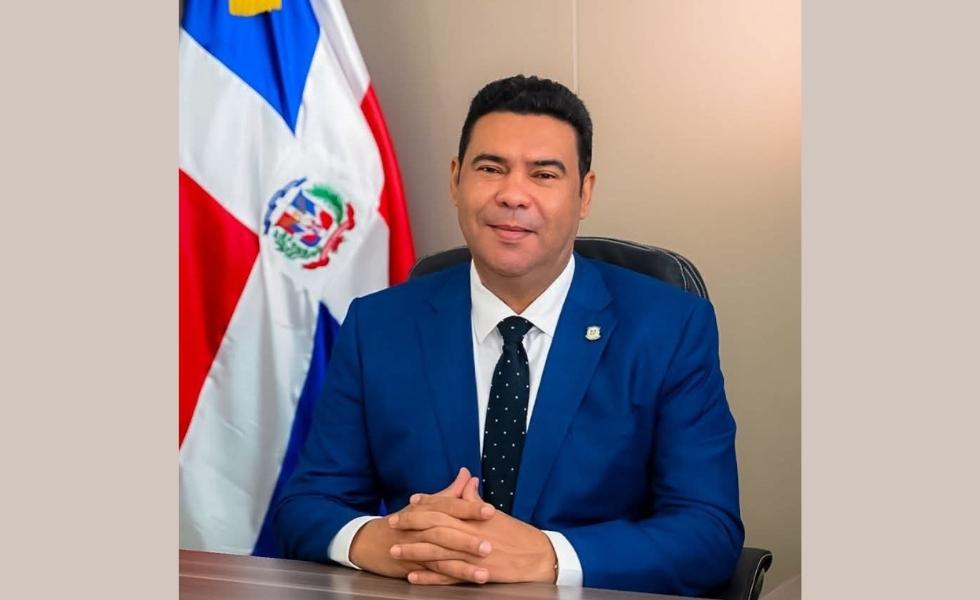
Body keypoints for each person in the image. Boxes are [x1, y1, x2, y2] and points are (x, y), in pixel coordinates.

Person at [273, 74, 743, 596]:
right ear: (456, 180)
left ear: (584, 193)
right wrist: (377, 540)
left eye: (544, 174)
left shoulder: (669, 327)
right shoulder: (379, 325)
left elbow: (708, 531)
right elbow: (306, 505)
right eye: (491, 168)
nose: (513, 195)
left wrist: (547, 556)